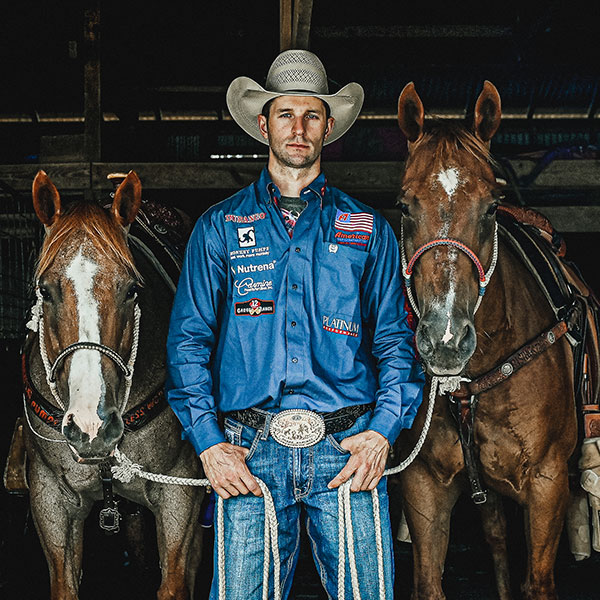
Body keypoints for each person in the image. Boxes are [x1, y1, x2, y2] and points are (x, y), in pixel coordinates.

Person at [166, 49, 424, 600]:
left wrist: (382, 431)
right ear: (264, 123)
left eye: (311, 115)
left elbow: (396, 341)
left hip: (348, 446)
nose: (298, 128)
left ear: (329, 127)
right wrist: (209, 443)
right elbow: (188, 343)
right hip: (248, 450)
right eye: (286, 114)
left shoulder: (369, 230)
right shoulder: (220, 228)